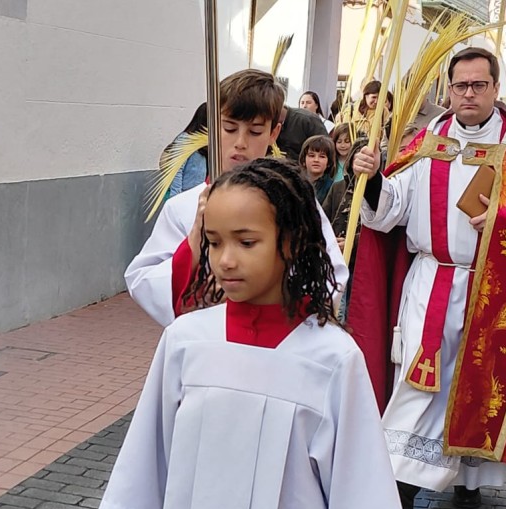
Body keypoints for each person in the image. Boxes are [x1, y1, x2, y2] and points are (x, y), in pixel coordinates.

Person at [90, 158, 430, 509]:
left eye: (246, 242)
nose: (225, 260)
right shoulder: (187, 341)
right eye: (212, 243)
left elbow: (360, 493)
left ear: (290, 243)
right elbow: (150, 459)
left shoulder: (332, 358)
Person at [349, 48, 506, 509]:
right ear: (449, 88)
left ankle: (468, 476)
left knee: (478, 386)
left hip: (493, 288)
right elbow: (390, 211)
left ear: (495, 88)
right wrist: (371, 178)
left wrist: (503, 222)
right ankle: (400, 490)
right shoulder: (427, 141)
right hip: (430, 281)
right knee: (420, 382)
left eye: (478, 85)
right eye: (460, 85)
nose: (468, 93)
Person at [125, 69, 348, 327]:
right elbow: (144, 280)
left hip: (277, 345)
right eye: (229, 128)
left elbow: (332, 275)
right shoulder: (182, 209)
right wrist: (195, 243)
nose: (240, 142)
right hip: (205, 344)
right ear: (212, 126)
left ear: (273, 133)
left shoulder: (296, 204)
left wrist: (273, 296)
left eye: (254, 132)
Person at [164, 102, 209, 199]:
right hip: (184, 194)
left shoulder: (206, 142)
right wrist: (176, 198)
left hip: (197, 194)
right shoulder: (186, 139)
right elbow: (177, 170)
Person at [300, 134, 336, 202]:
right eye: (311, 155)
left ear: (328, 162)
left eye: (322, 156)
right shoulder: (296, 184)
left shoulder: (333, 188)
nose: (316, 160)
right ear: (303, 160)